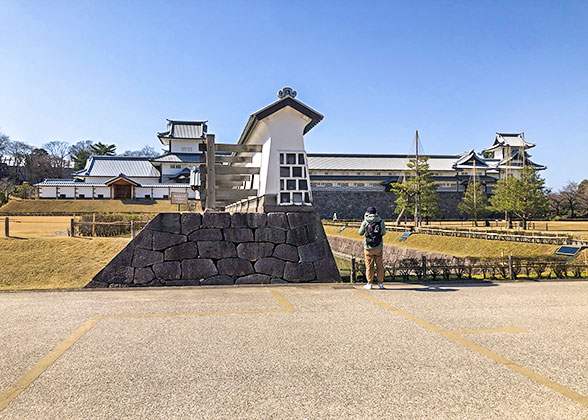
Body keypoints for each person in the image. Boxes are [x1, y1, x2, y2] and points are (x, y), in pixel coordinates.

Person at [358, 206, 386, 289]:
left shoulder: (365, 222)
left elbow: (360, 233)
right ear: (375, 213)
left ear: (368, 213)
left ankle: (369, 283)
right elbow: (383, 233)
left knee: (369, 266)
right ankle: (380, 283)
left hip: (368, 247)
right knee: (379, 266)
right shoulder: (381, 221)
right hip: (378, 246)